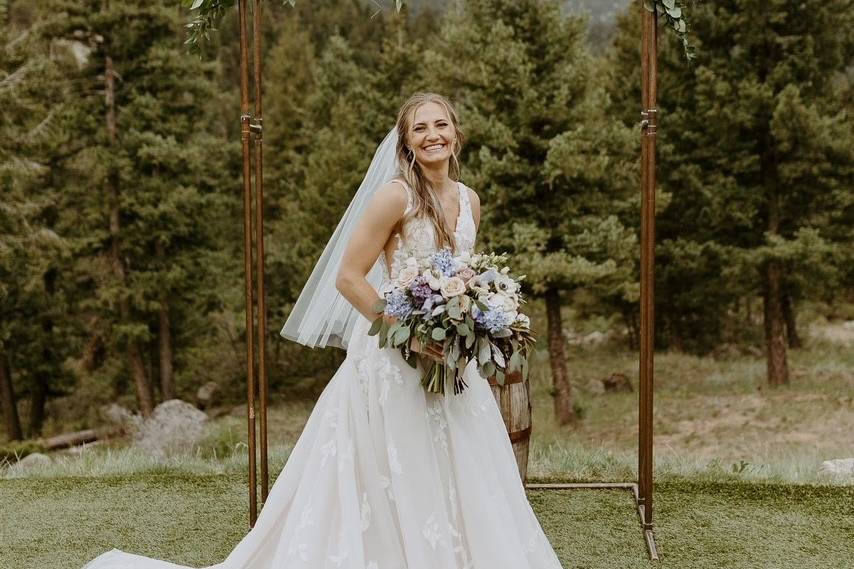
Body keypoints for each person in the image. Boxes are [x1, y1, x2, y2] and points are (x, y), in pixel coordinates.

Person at [81, 92, 564, 568]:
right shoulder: (396, 196)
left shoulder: (470, 201)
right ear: (407, 143)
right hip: (395, 359)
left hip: (451, 362)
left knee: (461, 465)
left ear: (456, 133)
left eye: (440, 125)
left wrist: (473, 320)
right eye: (420, 128)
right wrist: (410, 333)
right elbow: (349, 278)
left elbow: (462, 273)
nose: (432, 135)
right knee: (399, 467)